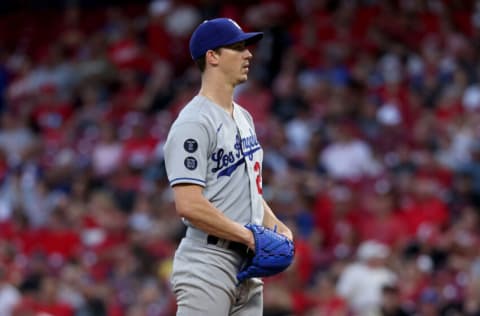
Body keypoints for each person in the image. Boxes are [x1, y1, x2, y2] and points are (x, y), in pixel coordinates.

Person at [163, 17, 294, 316]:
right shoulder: (194, 121)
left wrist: (276, 226)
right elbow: (188, 204)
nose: (248, 54)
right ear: (213, 57)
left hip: (247, 266)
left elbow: (248, 190)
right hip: (208, 263)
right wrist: (250, 236)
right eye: (237, 47)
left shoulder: (244, 117)